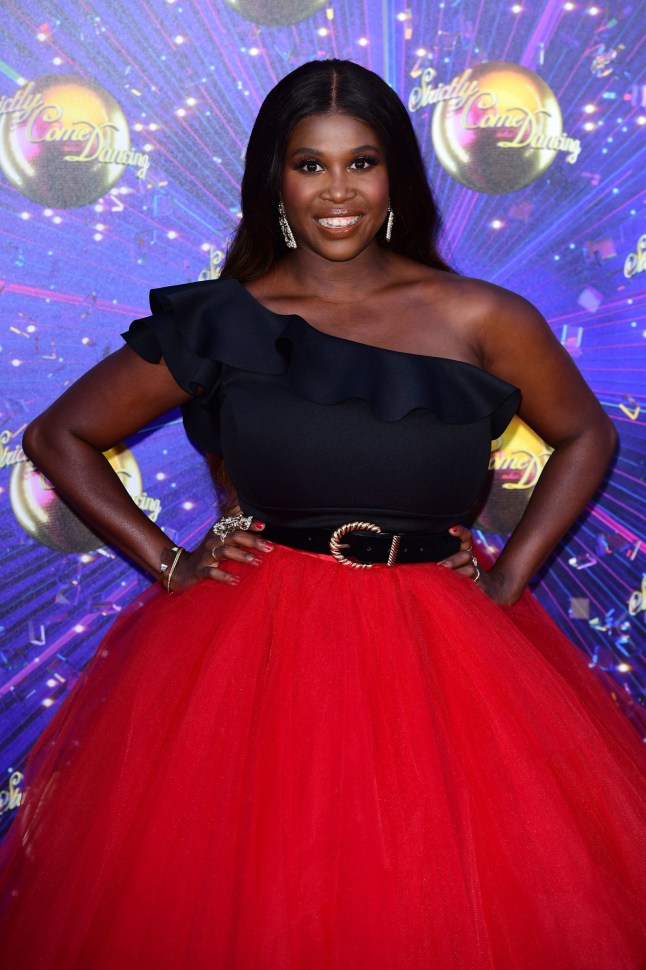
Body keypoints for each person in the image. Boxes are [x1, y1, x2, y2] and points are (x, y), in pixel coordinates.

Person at [0, 58, 645, 969]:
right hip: (252, 652)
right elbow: (59, 434)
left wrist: (510, 573)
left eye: (361, 162)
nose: (336, 190)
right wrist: (167, 560)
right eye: (310, 165)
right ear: (275, 180)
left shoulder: (479, 315)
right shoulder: (225, 319)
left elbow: (585, 435)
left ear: (395, 179)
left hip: (448, 655)